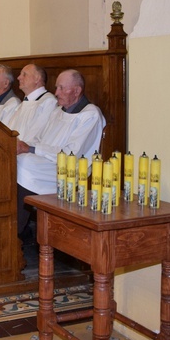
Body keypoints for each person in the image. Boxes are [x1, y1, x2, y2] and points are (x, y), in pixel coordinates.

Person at [15, 69, 105, 234]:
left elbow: (72, 153)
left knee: (24, 164)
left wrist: (31, 149)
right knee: (16, 160)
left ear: (77, 91)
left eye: (62, 88)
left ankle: (16, 232)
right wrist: (22, 146)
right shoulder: (58, 111)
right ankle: (9, 228)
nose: (56, 93)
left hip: (68, 170)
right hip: (47, 161)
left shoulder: (90, 115)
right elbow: (39, 138)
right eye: (56, 88)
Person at [6, 64, 58, 144]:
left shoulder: (48, 101)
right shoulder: (24, 102)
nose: (18, 77)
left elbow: (35, 136)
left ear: (37, 78)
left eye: (24, 74)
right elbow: (9, 129)